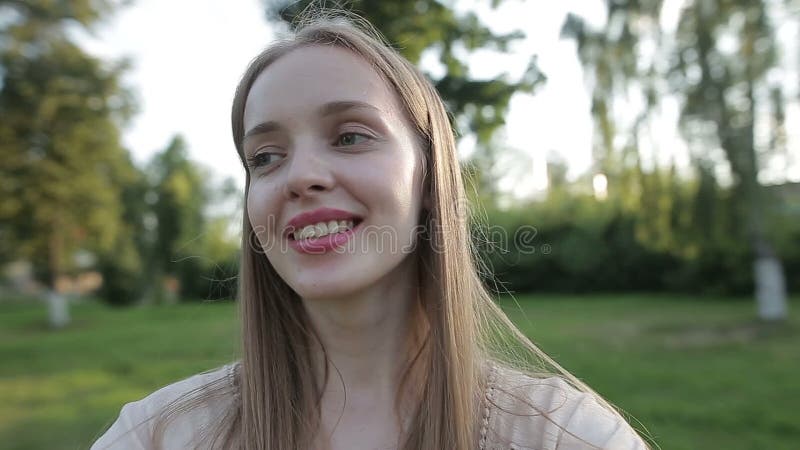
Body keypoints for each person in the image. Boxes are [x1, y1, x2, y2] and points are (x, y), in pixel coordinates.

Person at [91, 12, 652, 450]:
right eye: (265, 156)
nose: (301, 176)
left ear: (431, 178)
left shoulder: (570, 437)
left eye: (351, 136)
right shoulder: (156, 436)